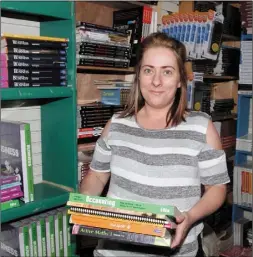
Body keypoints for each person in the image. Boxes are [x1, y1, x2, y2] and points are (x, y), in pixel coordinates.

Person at [80, 32, 230, 257]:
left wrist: (189, 217)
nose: (156, 81)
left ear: (180, 80)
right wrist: (84, 205)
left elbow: (217, 188)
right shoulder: (116, 124)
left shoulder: (201, 127)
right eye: (148, 70)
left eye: (167, 72)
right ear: (138, 76)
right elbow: (98, 175)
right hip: (113, 251)